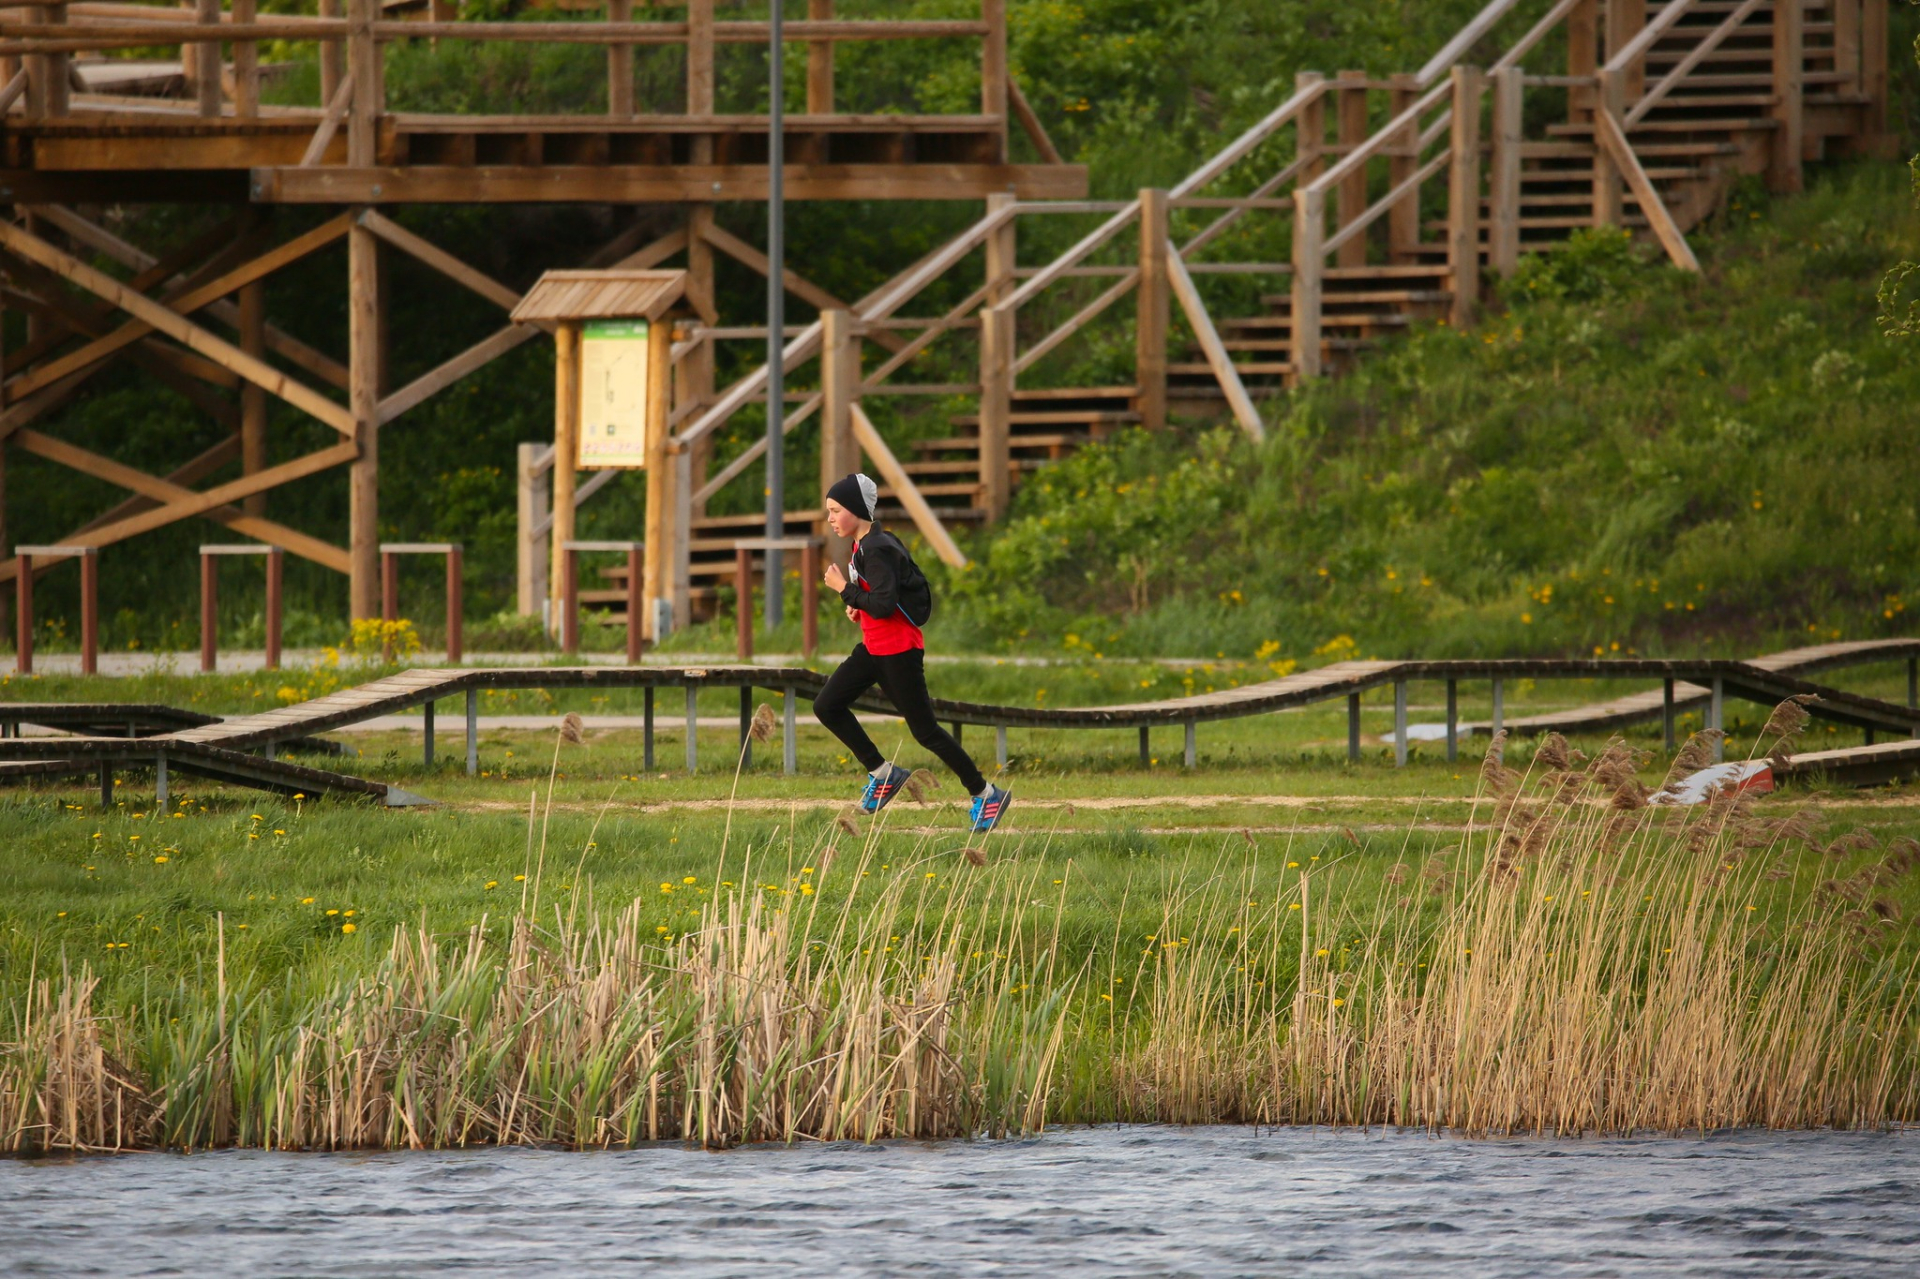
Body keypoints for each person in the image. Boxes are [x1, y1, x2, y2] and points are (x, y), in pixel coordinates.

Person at [812, 473, 1011, 834]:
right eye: (829, 511)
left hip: (898, 652)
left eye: (836, 510)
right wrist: (858, 605)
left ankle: (987, 794)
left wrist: (845, 590)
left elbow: (885, 604)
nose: (830, 518)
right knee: (826, 705)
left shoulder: (877, 548)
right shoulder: (864, 545)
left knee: (927, 732)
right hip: (873, 649)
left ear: (856, 509)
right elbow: (879, 598)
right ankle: (883, 773)